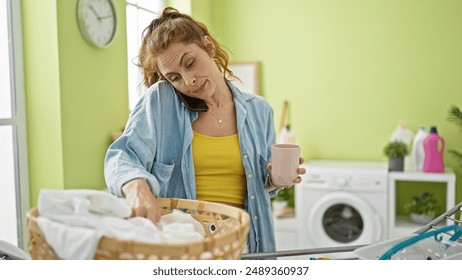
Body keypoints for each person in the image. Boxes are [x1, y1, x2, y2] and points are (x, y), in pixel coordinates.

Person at [104, 7, 306, 254]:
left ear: (208, 47)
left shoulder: (260, 111)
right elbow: (121, 156)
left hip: (247, 247)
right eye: (175, 77)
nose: (189, 81)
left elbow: (263, 187)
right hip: (186, 248)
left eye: (190, 63)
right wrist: (136, 187)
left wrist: (275, 178)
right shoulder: (162, 101)